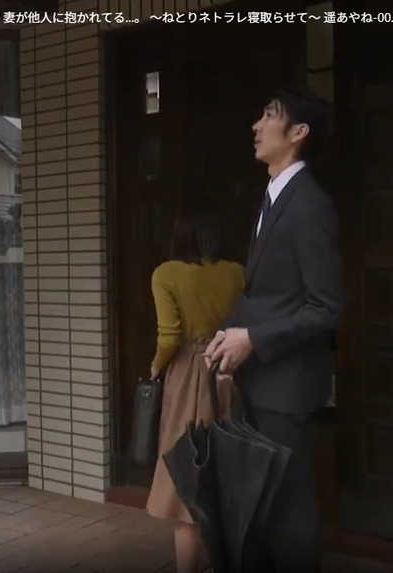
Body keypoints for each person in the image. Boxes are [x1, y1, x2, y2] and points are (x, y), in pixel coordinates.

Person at [205, 86, 343, 573]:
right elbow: (264, 295)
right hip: (260, 382)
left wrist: (253, 339)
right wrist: (228, 335)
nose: (257, 125)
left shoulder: (309, 205)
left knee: (289, 513)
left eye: (269, 116)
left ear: (298, 132)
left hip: (287, 388)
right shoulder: (271, 198)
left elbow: (326, 307)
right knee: (259, 509)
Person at [145, 201, 246, 573]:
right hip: (228, 372)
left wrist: (156, 368)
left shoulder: (166, 274)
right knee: (225, 474)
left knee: (186, 485)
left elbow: (169, 337)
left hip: (188, 378)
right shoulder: (236, 273)